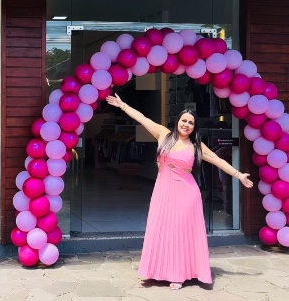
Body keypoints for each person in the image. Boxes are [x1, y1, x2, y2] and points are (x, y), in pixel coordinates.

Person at [105, 96, 253, 289]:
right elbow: (142, 118)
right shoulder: (163, 135)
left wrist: (239, 175)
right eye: (184, 120)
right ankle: (158, 271)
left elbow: (218, 160)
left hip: (186, 194)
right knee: (160, 229)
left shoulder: (196, 146)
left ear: (194, 127)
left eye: (191, 123)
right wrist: (123, 105)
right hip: (162, 192)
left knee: (179, 233)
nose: (186, 125)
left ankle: (178, 274)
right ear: (177, 122)